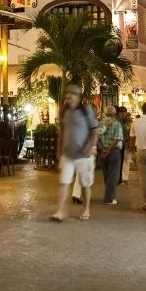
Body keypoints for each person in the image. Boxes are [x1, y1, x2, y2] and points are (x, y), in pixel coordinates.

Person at [51, 84, 100, 222]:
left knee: (85, 184)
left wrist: (91, 147)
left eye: (72, 93)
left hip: (84, 154)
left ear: (78, 97)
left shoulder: (86, 110)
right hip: (68, 154)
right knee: (64, 182)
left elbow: (95, 131)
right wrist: (59, 151)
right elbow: (61, 132)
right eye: (67, 93)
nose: (69, 96)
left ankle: (86, 209)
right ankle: (60, 211)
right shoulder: (64, 111)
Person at [98, 108, 123, 205]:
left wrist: (102, 149)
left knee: (106, 174)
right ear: (115, 114)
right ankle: (109, 198)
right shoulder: (117, 124)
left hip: (103, 152)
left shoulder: (99, 124)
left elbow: (96, 137)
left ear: (105, 113)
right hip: (114, 151)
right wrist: (108, 150)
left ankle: (110, 195)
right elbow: (117, 139)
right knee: (113, 176)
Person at [116, 107, 132, 184]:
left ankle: (122, 178)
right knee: (124, 161)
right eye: (121, 112)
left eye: (124, 112)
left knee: (124, 161)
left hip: (122, 145)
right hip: (121, 145)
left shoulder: (124, 122)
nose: (123, 114)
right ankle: (122, 178)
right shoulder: (119, 122)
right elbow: (125, 135)